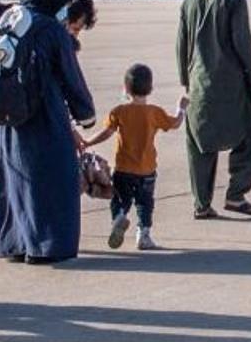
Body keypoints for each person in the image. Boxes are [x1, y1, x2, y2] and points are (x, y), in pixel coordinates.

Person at [0, 0, 97, 264]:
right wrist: (85, 114)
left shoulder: (8, 19)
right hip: (43, 116)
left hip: (6, 119)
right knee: (51, 181)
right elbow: (70, 77)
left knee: (13, 182)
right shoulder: (51, 29)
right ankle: (47, 244)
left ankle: (15, 242)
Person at [177, 0, 251, 217]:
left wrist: (186, 81)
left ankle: (201, 204)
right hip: (231, 86)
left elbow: (182, 46)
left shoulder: (189, 2)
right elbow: (243, 44)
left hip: (198, 84)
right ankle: (236, 195)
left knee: (200, 146)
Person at [79, 64, 187, 251]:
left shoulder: (119, 112)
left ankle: (119, 217)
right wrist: (181, 108)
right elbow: (175, 123)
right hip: (147, 170)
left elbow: (107, 132)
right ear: (151, 89)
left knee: (119, 198)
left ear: (126, 88)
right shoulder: (155, 112)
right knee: (145, 204)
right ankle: (143, 234)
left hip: (123, 169)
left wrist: (88, 142)